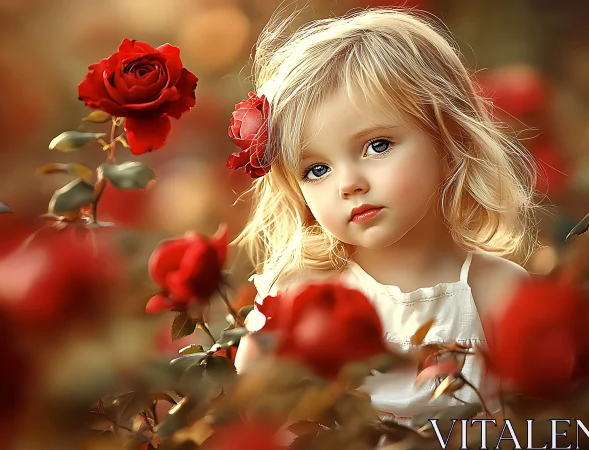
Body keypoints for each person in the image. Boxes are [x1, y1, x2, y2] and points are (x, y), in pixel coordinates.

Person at [227, 5, 541, 424]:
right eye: (317, 170)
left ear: (449, 142)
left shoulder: (499, 292)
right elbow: (260, 414)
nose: (348, 184)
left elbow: (543, 420)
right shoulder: (301, 297)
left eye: (377, 146)